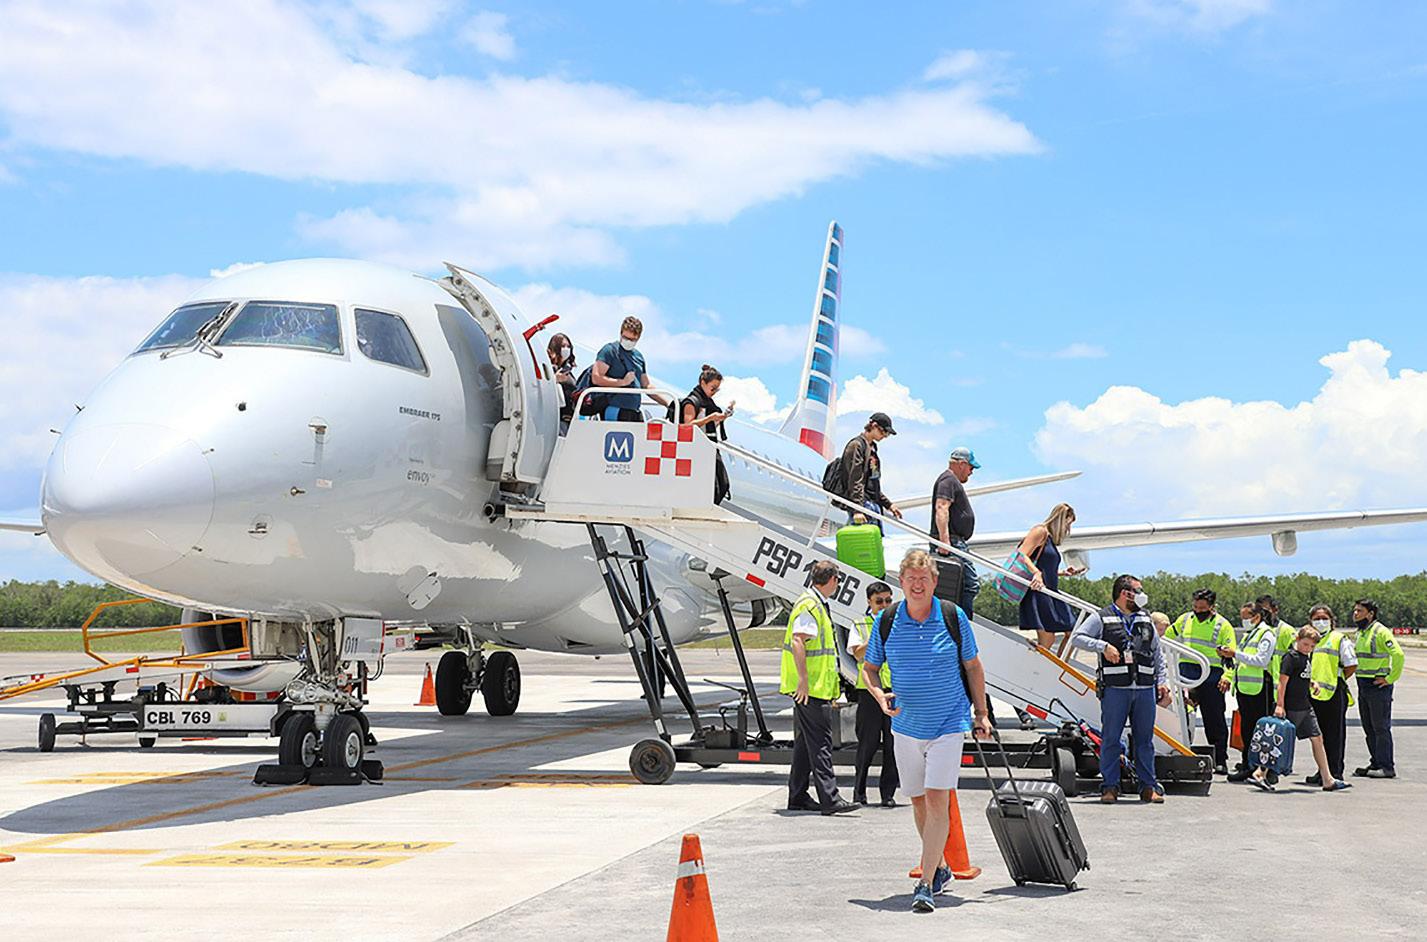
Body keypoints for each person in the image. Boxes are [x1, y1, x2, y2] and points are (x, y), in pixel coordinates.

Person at [862, 549, 992, 913]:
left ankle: (925, 883)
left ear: (934, 582)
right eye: (911, 579)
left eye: (924, 579)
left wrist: (981, 713)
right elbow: (870, 669)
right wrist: (878, 695)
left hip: (948, 723)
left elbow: (973, 665)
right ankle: (941, 866)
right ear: (901, 583)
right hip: (905, 726)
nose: (917, 585)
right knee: (917, 800)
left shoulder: (952, 616)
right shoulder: (886, 620)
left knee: (937, 800)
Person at [1070, 574, 1171, 804]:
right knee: (1111, 738)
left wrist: (1162, 680)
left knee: (1145, 740)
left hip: (1144, 687)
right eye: (1138, 590)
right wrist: (1103, 646)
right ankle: (1110, 787)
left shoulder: (1145, 618)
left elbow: (1157, 652)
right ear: (1125, 593)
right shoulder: (1102, 617)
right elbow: (1078, 638)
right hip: (1116, 688)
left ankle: (1148, 786)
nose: (1142, 595)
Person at [781, 560, 857, 816]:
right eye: (838, 580)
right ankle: (830, 799)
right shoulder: (810, 605)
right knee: (821, 743)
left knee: (806, 744)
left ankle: (798, 796)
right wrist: (803, 680)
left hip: (815, 687)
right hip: (810, 689)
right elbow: (798, 641)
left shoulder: (815, 603)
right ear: (832, 580)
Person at [1250, 626, 1349, 793]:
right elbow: (1282, 682)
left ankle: (1327, 779)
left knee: (1317, 738)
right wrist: (1280, 705)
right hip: (1292, 707)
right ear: (1297, 640)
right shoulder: (1291, 657)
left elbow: (1301, 677)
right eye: (1305, 644)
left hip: (1305, 706)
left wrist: (1312, 683)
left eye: (1312, 646)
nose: (1308, 648)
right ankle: (1260, 772)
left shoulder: (1305, 658)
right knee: (1278, 741)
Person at [1167, 589, 1236, 775]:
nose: (1198, 611)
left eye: (1202, 608)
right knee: (1182, 717)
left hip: (1212, 675)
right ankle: (1181, 752)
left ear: (1212, 607)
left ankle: (1220, 759)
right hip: (1187, 673)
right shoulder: (1184, 620)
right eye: (1195, 607)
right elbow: (1166, 637)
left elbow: (1230, 656)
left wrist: (1227, 677)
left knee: (1214, 718)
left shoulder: (1223, 625)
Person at [847, 580, 899, 807]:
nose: (884, 605)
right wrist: (877, 633)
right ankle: (859, 792)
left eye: (888, 601)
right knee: (867, 745)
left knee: (892, 745)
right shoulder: (860, 624)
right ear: (869, 602)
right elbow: (857, 653)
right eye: (879, 601)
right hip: (869, 692)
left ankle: (888, 794)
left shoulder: (899, 624)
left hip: (894, 690)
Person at [1014, 502, 1083, 651]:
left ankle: (1054, 665)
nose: (1067, 529)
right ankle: (1037, 664)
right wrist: (1036, 573)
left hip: (1050, 592)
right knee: (1048, 638)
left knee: (1073, 632)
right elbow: (1021, 554)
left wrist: (1063, 572)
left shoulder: (1050, 540)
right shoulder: (1040, 531)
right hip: (1039, 592)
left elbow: (1044, 566)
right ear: (1061, 520)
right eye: (1067, 524)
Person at [1226, 601, 1281, 782]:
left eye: (1246, 617)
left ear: (1257, 617)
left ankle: (1264, 770)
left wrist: (1235, 654)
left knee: (1262, 731)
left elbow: (1261, 660)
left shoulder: (1266, 634)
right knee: (1247, 730)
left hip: (1260, 690)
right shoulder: (1249, 635)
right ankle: (1248, 766)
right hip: (1245, 689)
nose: (1243, 621)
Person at [1351, 598, 1403, 779]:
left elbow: (1398, 654)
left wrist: (1390, 679)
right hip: (1363, 685)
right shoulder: (1361, 633)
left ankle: (1387, 767)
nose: (1355, 614)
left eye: (1359, 611)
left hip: (1377, 686)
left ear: (1370, 614)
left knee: (1380, 727)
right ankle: (1376, 762)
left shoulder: (1380, 631)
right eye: (1355, 610)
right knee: (1369, 727)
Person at [1305, 603, 1355, 786]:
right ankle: (1322, 771)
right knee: (1318, 736)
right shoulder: (1310, 640)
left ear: (1331, 620)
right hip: (1313, 693)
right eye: (1316, 619)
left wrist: (1336, 679)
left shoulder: (1338, 639)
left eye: (1324, 618)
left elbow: (1351, 665)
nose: (1320, 622)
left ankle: (1335, 772)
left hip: (1334, 692)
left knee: (1334, 735)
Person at [929, 447, 980, 618]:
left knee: (958, 585)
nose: (971, 472)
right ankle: (962, 622)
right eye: (971, 468)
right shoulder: (948, 480)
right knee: (970, 585)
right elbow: (942, 507)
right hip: (952, 541)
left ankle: (958, 619)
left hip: (955, 540)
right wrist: (944, 541)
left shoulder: (950, 480)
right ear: (962, 464)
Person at [676, 364, 735, 504]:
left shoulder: (709, 403)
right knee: (713, 486)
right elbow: (687, 425)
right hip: (697, 449)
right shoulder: (692, 402)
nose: (714, 392)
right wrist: (710, 418)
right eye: (712, 388)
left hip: (710, 447)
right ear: (703, 383)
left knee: (723, 484)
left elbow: (709, 426)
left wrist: (723, 417)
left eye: (717, 389)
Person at [592, 315, 662, 421]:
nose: (628, 342)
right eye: (626, 338)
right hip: (615, 408)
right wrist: (622, 382)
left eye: (632, 339)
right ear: (621, 333)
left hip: (634, 410)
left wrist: (667, 402)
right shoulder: (609, 350)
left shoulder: (638, 356)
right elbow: (596, 378)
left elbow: (646, 385)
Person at [839, 414, 902, 531]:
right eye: (884, 432)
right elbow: (855, 479)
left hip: (873, 505)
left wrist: (888, 505)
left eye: (887, 434)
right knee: (864, 540)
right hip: (863, 505)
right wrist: (857, 509)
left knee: (875, 540)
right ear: (874, 426)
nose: (885, 436)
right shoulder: (857, 445)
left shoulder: (872, 449)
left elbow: (873, 484)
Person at [547, 332, 577, 431]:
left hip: (569, 419)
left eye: (568, 346)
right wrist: (555, 379)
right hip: (556, 419)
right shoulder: (547, 369)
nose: (566, 349)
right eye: (563, 346)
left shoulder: (567, 371)